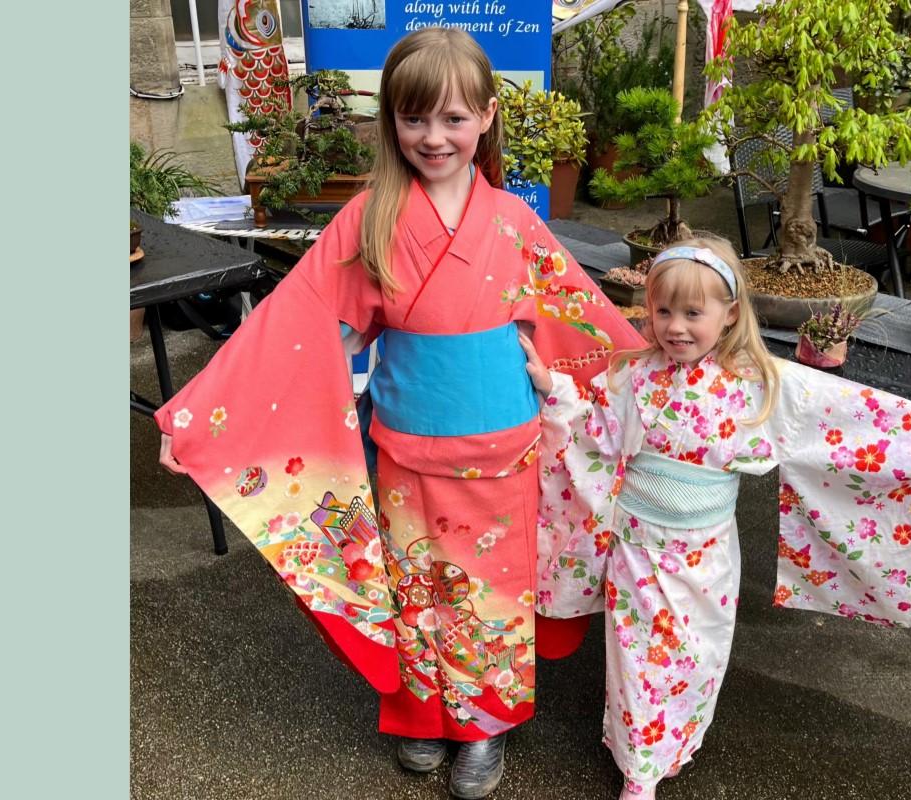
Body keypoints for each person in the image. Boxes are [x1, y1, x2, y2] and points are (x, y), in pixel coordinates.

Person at [154, 27, 643, 799]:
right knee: (416, 590)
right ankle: (420, 714)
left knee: (489, 592)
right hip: (407, 448)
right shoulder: (368, 219)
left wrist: (665, 379)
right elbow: (301, 323)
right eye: (415, 119)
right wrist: (206, 415)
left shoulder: (515, 222)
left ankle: (481, 728)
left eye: (453, 118)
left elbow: (581, 324)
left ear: (485, 116)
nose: (434, 136)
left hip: (504, 448)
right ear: (392, 122)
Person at [520, 237, 911, 800]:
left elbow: (846, 414)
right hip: (638, 550)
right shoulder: (633, 376)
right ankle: (638, 771)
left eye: (694, 313)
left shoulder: (758, 384)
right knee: (636, 660)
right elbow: (592, 441)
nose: (676, 327)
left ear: (730, 312)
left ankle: (674, 743)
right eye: (663, 310)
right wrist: (557, 392)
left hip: (707, 556)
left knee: (697, 658)